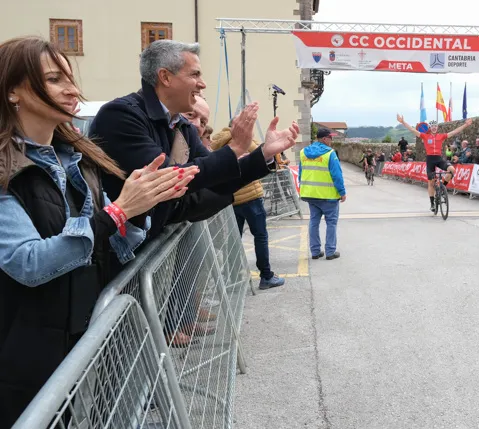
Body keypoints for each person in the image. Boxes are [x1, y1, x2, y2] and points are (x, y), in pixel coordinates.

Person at [0, 36, 198, 426]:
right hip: (21, 355)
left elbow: (109, 245)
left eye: (69, 77)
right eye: (55, 79)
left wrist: (142, 208)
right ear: (13, 93)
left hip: (75, 341)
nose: (72, 89)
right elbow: (26, 263)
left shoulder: (79, 159)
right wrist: (121, 211)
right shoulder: (7, 169)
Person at [89, 40, 299, 242]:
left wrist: (264, 154)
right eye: (195, 74)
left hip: (143, 248)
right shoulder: (120, 115)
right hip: (117, 256)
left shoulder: (179, 124)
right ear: (165, 77)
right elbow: (167, 181)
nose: (202, 84)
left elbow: (214, 176)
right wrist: (234, 148)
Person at [210, 127, 285, 289]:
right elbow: (259, 151)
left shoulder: (220, 144)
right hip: (251, 196)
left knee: (233, 240)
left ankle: (233, 278)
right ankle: (266, 276)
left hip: (232, 199)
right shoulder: (242, 142)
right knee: (260, 236)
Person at [396, 114, 473, 212]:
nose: (434, 128)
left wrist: (465, 125)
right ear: (430, 127)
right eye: (432, 126)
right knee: (431, 182)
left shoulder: (441, 136)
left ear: (437, 127)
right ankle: (432, 203)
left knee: (452, 170)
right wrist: (403, 122)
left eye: (435, 126)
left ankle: (442, 187)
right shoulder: (425, 136)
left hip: (439, 159)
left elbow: (454, 132)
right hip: (430, 160)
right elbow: (412, 130)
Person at [299, 129, 346, 260]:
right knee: (331, 222)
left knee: (314, 221)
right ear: (324, 139)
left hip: (310, 194)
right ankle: (330, 251)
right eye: (330, 138)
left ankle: (315, 251)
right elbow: (337, 175)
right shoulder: (330, 154)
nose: (331, 140)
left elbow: (301, 173)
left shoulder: (303, 152)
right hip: (328, 196)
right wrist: (342, 192)